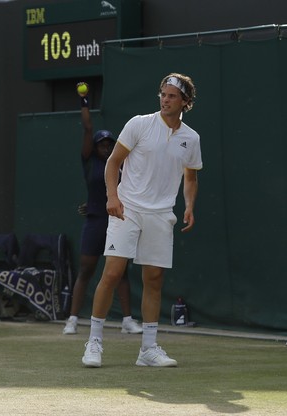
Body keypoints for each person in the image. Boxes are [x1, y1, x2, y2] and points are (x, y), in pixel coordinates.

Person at [82, 73, 202, 368]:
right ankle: (94, 342)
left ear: (185, 102)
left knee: (154, 279)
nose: (165, 99)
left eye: (172, 96)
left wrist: (189, 206)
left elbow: (191, 176)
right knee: (112, 272)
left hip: (162, 214)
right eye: (163, 94)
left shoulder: (191, 138)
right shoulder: (139, 124)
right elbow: (113, 163)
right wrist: (112, 196)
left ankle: (148, 349)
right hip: (129, 208)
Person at [63, 82, 142, 336]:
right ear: (95, 147)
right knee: (86, 269)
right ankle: (73, 320)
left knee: (120, 272)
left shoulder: (121, 164)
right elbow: (88, 128)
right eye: (102, 143)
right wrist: (84, 101)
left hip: (117, 221)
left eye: (110, 143)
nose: (106, 146)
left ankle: (128, 320)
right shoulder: (90, 161)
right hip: (96, 221)